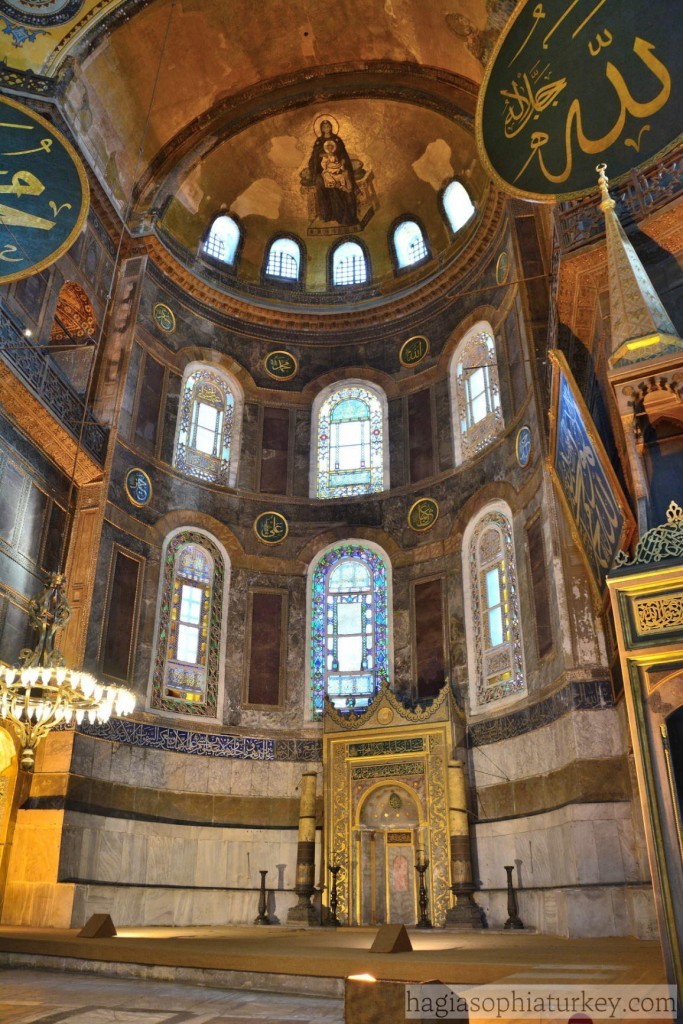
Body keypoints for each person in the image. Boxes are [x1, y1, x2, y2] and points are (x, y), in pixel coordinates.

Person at [306, 119, 358, 225]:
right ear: (321, 129)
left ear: (331, 127)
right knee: (322, 183)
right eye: (324, 127)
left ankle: (347, 214)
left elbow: (343, 154)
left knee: (345, 180)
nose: (326, 129)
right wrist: (323, 156)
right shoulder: (319, 142)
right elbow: (314, 157)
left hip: (338, 168)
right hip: (325, 171)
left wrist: (342, 162)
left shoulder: (337, 140)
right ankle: (328, 213)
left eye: (328, 127)